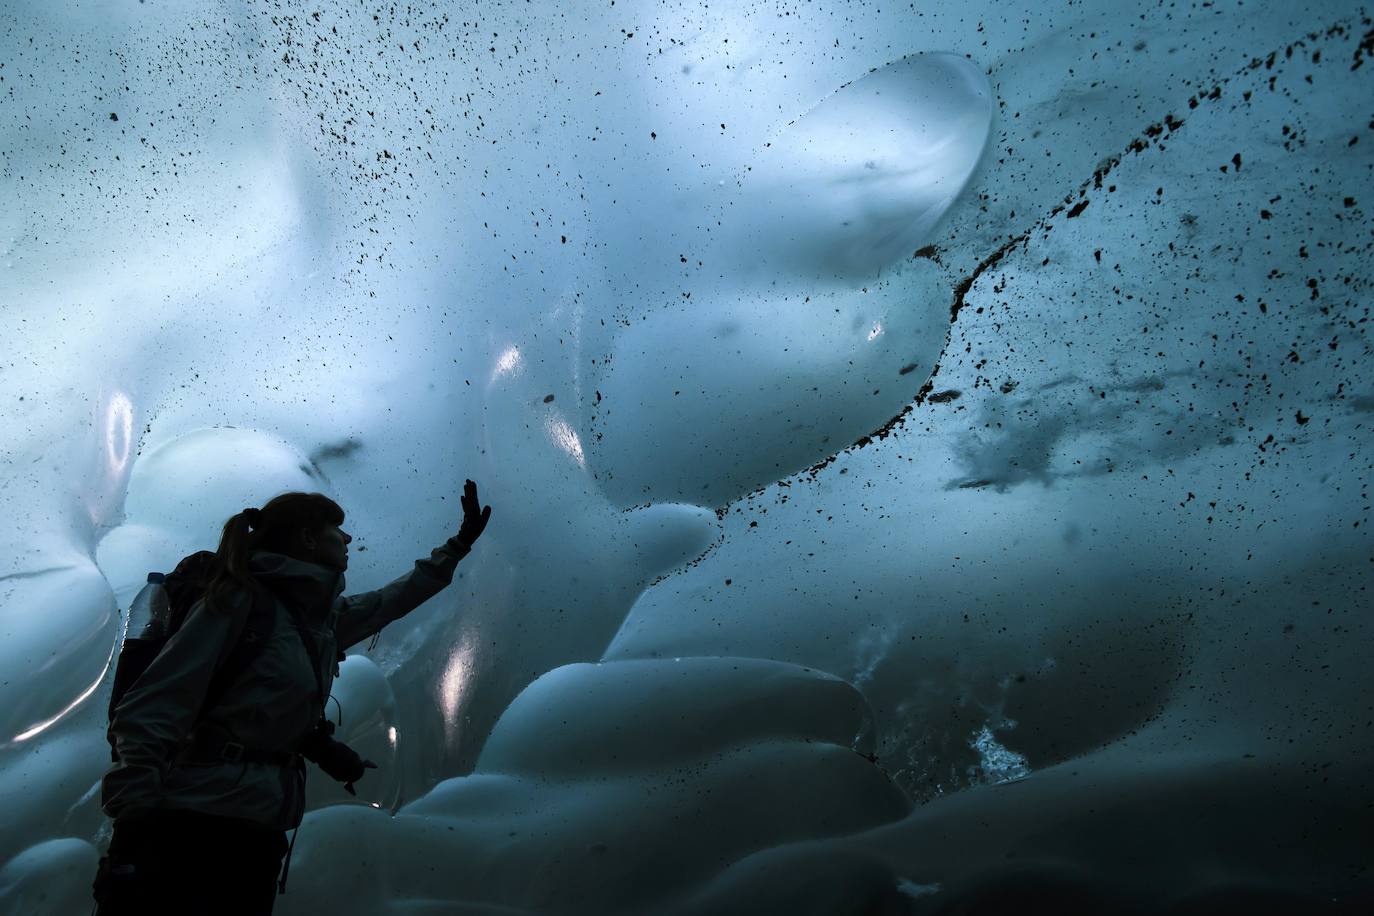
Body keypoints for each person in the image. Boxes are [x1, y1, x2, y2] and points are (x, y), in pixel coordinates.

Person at [93, 480, 492, 915]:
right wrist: (134, 821)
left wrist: (456, 546)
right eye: (336, 530)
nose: (348, 539)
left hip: (258, 827)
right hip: (188, 823)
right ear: (306, 538)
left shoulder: (316, 619)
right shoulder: (239, 603)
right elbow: (153, 704)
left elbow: (389, 602)